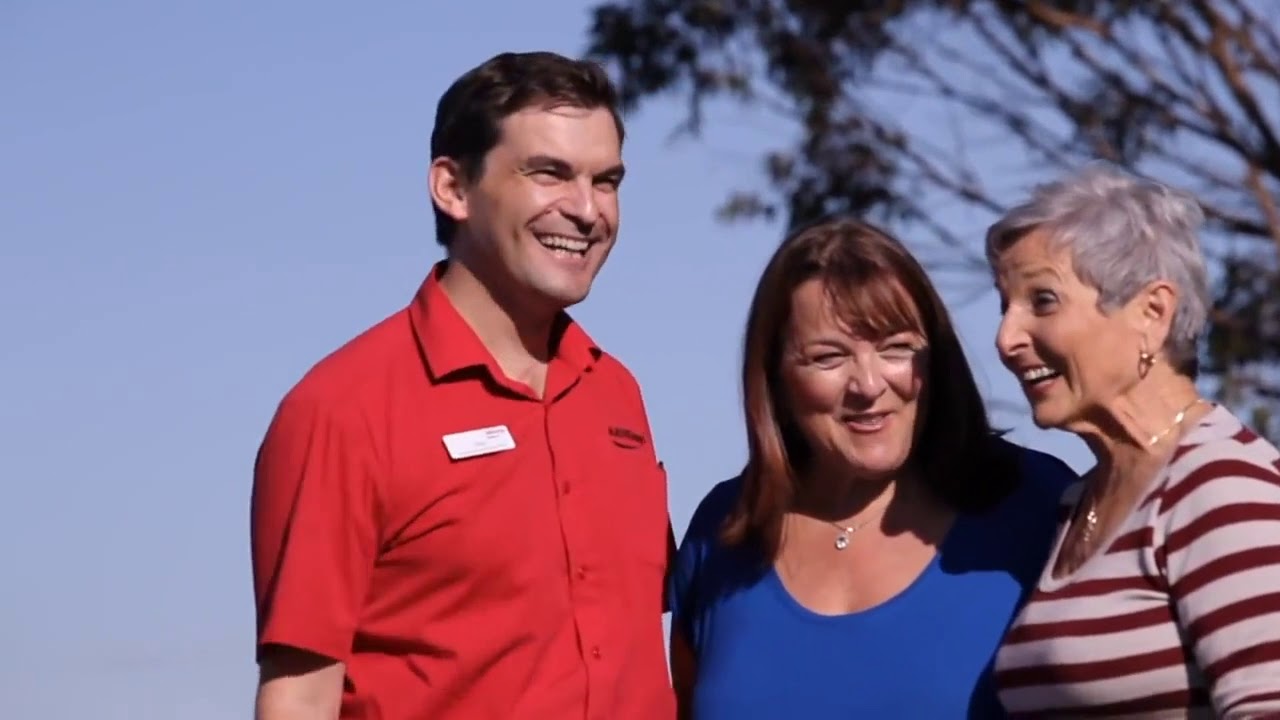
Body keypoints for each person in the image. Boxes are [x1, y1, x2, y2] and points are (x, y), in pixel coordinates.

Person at [249, 51, 675, 720]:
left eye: (608, 180)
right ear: (452, 188)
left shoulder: (618, 397)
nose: (589, 210)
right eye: (549, 174)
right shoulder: (341, 410)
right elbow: (300, 696)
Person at [667, 218, 1077, 718]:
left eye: (896, 348)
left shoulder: (1036, 505)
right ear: (775, 374)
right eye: (828, 357)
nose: (867, 385)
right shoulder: (724, 529)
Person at [988, 163, 1280, 716]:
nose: (1006, 339)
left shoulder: (1223, 491)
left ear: (1152, 312)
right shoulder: (1078, 504)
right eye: (1005, 306)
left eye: (1042, 301)